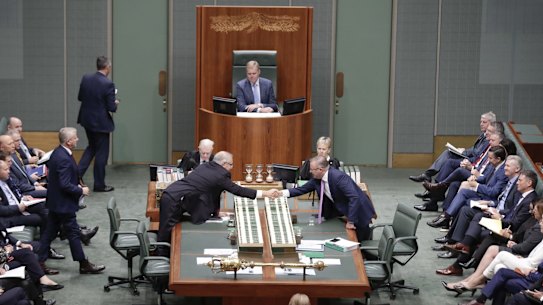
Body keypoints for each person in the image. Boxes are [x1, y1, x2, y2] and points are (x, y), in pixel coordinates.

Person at [158, 151, 277, 253]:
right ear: (224, 163)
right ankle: (160, 262)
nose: (231, 167)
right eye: (230, 164)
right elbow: (238, 190)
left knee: (170, 231)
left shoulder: (206, 166)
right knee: (166, 231)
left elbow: (213, 193)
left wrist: (216, 212)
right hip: (174, 199)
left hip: (176, 195)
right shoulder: (221, 175)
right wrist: (265, 193)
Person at [37, 127, 105, 274]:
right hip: (63, 204)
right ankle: (83, 264)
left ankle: (39, 263)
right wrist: (81, 190)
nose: (77, 139)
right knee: (72, 232)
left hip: (56, 202)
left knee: (50, 232)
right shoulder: (63, 158)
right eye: (75, 137)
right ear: (68, 142)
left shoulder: (59, 152)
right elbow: (64, 184)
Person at [276, 156, 376, 241]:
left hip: (359, 212)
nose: (310, 172)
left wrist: (351, 221)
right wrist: (279, 193)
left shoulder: (338, 177)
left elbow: (354, 198)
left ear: (320, 170)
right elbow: (300, 190)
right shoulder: (317, 179)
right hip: (345, 211)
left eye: (312, 169)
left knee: (361, 242)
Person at [409, 111, 496, 183]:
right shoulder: (483, 134)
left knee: (448, 159)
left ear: (491, 123)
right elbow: (474, 148)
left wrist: (464, 152)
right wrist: (464, 150)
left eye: (484, 122)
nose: (481, 124)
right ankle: (430, 179)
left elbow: (478, 153)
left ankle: (431, 180)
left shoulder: (491, 137)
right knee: (448, 153)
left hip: (473, 161)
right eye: (480, 122)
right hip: (470, 157)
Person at [77, 55, 119, 192]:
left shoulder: (86, 78)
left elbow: (80, 97)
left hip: (87, 120)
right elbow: (111, 108)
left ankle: (76, 175)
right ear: (107, 67)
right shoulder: (108, 84)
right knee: (101, 154)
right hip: (101, 123)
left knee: (91, 148)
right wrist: (115, 103)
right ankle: (99, 184)